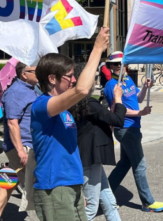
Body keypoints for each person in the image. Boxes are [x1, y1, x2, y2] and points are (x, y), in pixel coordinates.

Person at [31, 29, 108, 220]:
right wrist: (97, 49)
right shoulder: (41, 106)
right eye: (69, 76)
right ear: (52, 79)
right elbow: (82, 89)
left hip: (70, 184)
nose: (74, 80)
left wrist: (77, 188)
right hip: (54, 186)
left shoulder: (64, 111)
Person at [103, 52, 163, 213]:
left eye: (122, 63)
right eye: (115, 64)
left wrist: (145, 86)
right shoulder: (112, 86)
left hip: (133, 128)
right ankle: (148, 202)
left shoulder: (128, 80)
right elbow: (118, 110)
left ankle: (105, 196)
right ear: (110, 67)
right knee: (139, 165)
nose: (119, 66)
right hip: (125, 129)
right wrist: (140, 113)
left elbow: (138, 99)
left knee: (125, 163)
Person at [71, 72, 126, 221]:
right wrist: (119, 98)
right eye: (93, 79)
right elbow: (118, 120)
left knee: (109, 201)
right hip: (90, 158)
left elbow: (106, 119)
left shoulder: (78, 101)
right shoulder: (89, 103)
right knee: (90, 208)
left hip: (90, 156)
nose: (95, 82)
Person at [0, 62, 39, 221]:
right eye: (35, 71)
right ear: (24, 74)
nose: (39, 73)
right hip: (22, 146)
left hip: (25, 145)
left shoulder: (29, 90)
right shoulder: (16, 92)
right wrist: (20, 150)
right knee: (36, 185)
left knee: (9, 182)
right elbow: (12, 123)